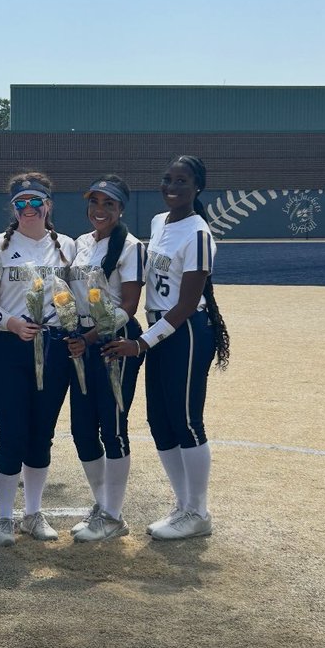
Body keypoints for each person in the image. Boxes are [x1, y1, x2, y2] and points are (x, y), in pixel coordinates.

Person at [104, 155, 230, 540]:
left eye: (182, 181)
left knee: (186, 421)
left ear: (198, 188)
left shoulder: (198, 233)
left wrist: (142, 342)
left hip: (186, 330)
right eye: (167, 179)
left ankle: (198, 511)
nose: (172, 187)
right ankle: (183, 505)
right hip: (162, 327)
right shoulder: (160, 223)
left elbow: (188, 303)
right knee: (159, 421)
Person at [0, 172, 77, 546]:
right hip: (8, 348)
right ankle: (4, 518)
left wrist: (68, 320)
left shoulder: (68, 247)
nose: (28, 209)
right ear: (13, 207)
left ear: (48, 205)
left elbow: (78, 296)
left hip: (53, 348)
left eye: (35, 202)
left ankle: (33, 514)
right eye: (21, 203)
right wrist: (10, 322)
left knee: (42, 434)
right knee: (12, 434)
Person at [65, 175, 146, 542]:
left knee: (112, 428)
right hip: (83, 339)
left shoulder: (129, 246)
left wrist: (90, 337)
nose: (100, 210)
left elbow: (128, 307)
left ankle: (112, 515)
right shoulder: (82, 243)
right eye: (95, 202)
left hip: (114, 341)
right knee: (82, 429)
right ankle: (104, 506)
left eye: (108, 204)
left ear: (121, 209)